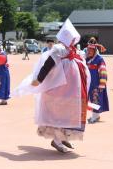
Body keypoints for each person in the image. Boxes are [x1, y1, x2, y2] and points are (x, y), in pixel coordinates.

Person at [12, 19, 90, 153]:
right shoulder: (59, 49)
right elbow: (48, 64)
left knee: (69, 113)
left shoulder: (75, 51)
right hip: (60, 88)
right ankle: (57, 140)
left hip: (73, 89)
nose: (73, 41)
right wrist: (39, 79)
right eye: (71, 38)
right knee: (58, 113)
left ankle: (64, 137)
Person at [86, 44, 109, 124]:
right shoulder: (87, 59)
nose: (88, 52)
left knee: (96, 100)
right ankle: (95, 115)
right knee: (91, 100)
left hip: (97, 83)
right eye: (88, 50)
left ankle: (95, 116)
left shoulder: (99, 60)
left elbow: (103, 71)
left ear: (94, 51)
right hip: (90, 84)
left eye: (90, 51)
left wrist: (102, 83)